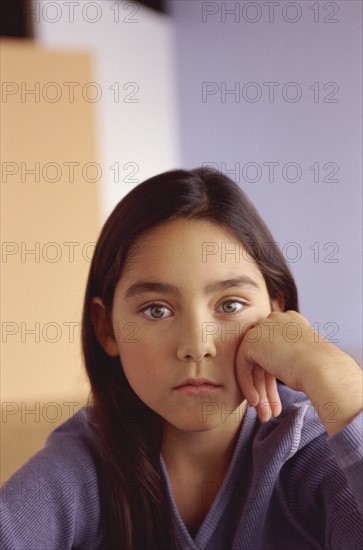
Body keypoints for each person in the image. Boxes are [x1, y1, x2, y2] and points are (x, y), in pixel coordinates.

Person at [1, 167, 362, 550]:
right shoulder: (86, 464)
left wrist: (338, 379)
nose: (196, 345)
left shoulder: (307, 450)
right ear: (106, 328)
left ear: (277, 316)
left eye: (231, 304)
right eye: (157, 310)